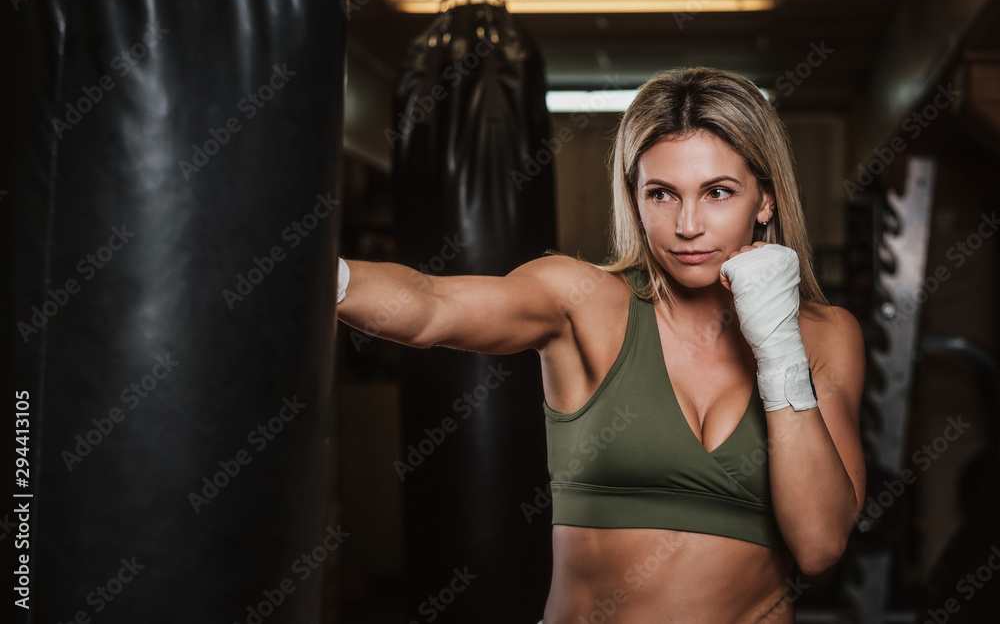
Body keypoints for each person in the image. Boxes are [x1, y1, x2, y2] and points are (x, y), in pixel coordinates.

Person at [336, 67, 865, 623]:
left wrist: (778, 347)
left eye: (717, 193)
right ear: (634, 198)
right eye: (661, 194)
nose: (687, 225)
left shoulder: (825, 335)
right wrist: (312, 278)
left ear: (765, 200)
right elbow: (429, 306)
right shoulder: (583, 303)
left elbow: (820, 544)